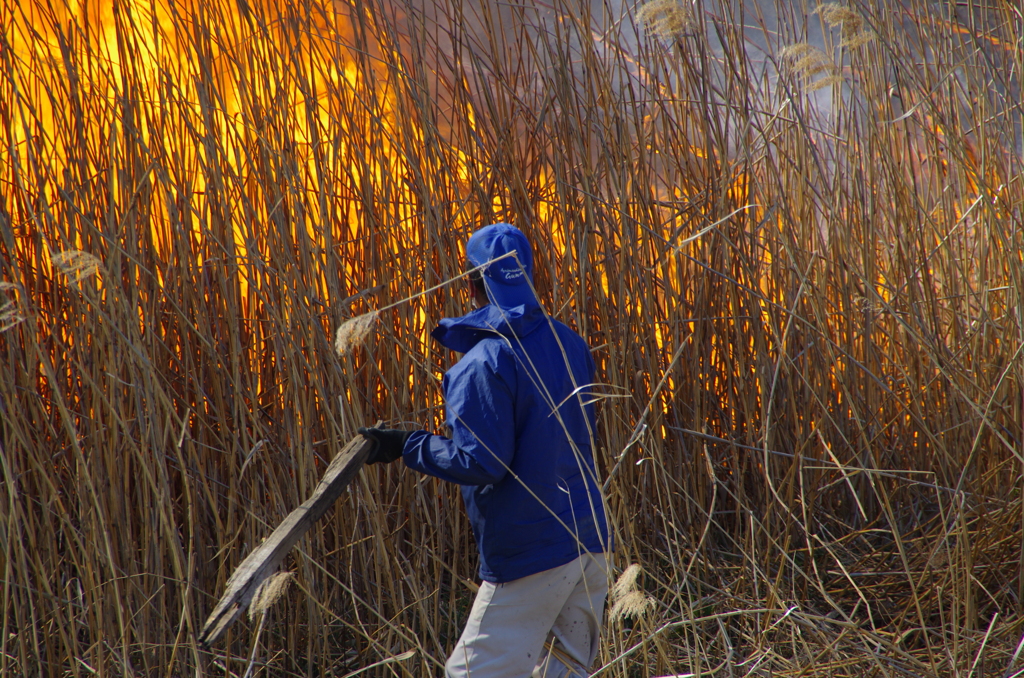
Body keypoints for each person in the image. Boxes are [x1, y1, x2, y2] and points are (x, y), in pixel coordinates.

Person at [358, 223, 611, 678]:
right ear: (529, 274)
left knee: (472, 674)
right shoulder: (568, 342)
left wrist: (407, 446)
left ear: (470, 282)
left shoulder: (483, 362)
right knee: (567, 671)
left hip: (532, 554)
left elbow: (482, 462)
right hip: (590, 540)